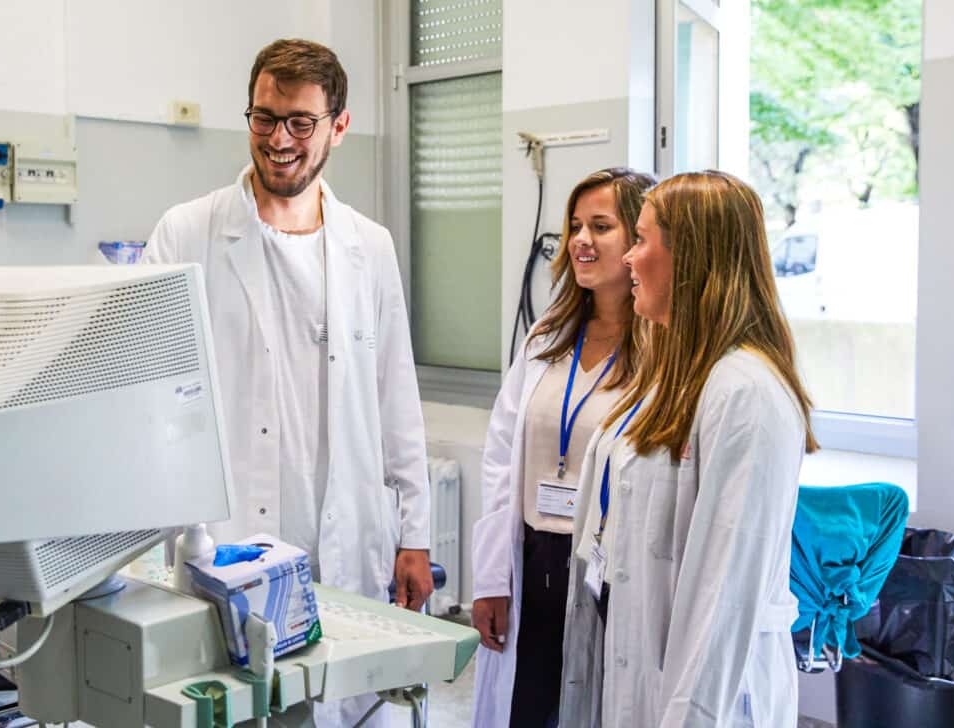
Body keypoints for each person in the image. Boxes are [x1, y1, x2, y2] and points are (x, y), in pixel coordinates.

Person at [147, 38, 434, 724]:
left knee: (343, 707)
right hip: (228, 533)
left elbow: (397, 395)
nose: (279, 140)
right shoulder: (187, 233)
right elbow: (149, 395)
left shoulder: (371, 246)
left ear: (339, 125)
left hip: (347, 537)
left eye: (300, 122)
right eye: (263, 118)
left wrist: (415, 532)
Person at [558, 170, 819, 728]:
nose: (628, 258)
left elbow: (722, 601)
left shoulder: (746, 392)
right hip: (638, 669)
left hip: (709, 702)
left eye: (642, 240)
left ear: (691, 257)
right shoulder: (673, 376)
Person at [471, 168, 656, 728]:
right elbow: (503, 457)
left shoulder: (665, 351)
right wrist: (490, 580)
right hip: (533, 558)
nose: (581, 240)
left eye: (602, 226)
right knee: (526, 709)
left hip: (608, 571)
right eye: (576, 225)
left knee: (597, 709)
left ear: (640, 242)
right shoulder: (547, 337)